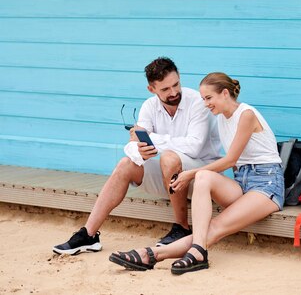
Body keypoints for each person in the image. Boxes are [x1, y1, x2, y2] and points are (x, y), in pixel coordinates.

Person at [108, 71, 284, 274]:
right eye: (203, 99)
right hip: (242, 182)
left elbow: (230, 160)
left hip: (266, 184)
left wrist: (189, 173)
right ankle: (196, 250)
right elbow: (236, 165)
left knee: (215, 225)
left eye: (209, 98)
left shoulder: (246, 115)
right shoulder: (221, 119)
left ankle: (153, 255)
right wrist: (196, 173)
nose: (205, 104)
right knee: (203, 177)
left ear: (225, 93)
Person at [53, 58, 221, 255]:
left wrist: (152, 139)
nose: (174, 92)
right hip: (172, 180)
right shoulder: (149, 106)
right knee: (126, 164)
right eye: (165, 89)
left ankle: (181, 227)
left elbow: (194, 146)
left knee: (168, 158)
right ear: (152, 89)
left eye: (176, 85)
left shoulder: (197, 102)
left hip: (202, 177)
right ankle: (88, 235)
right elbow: (132, 145)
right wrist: (139, 150)